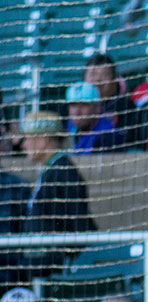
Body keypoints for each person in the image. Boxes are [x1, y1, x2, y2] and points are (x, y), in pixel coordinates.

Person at [19, 111, 95, 278]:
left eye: (28, 138)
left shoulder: (63, 172)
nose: (23, 144)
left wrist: (63, 263)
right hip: (45, 268)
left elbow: (78, 224)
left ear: (44, 138)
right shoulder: (51, 170)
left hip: (56, 272)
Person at [84, 54, 142, 148]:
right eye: (93, 74)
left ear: (114, 79)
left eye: (104, 74)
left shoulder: (126, 106)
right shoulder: (73, 107)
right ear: (84, 78)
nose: (98, 79)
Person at [66, 82, 125, 155]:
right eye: (73, 105)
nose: (77, 111)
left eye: (84, 105)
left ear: (97, 107)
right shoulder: (71, 127)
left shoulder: (109, 137)